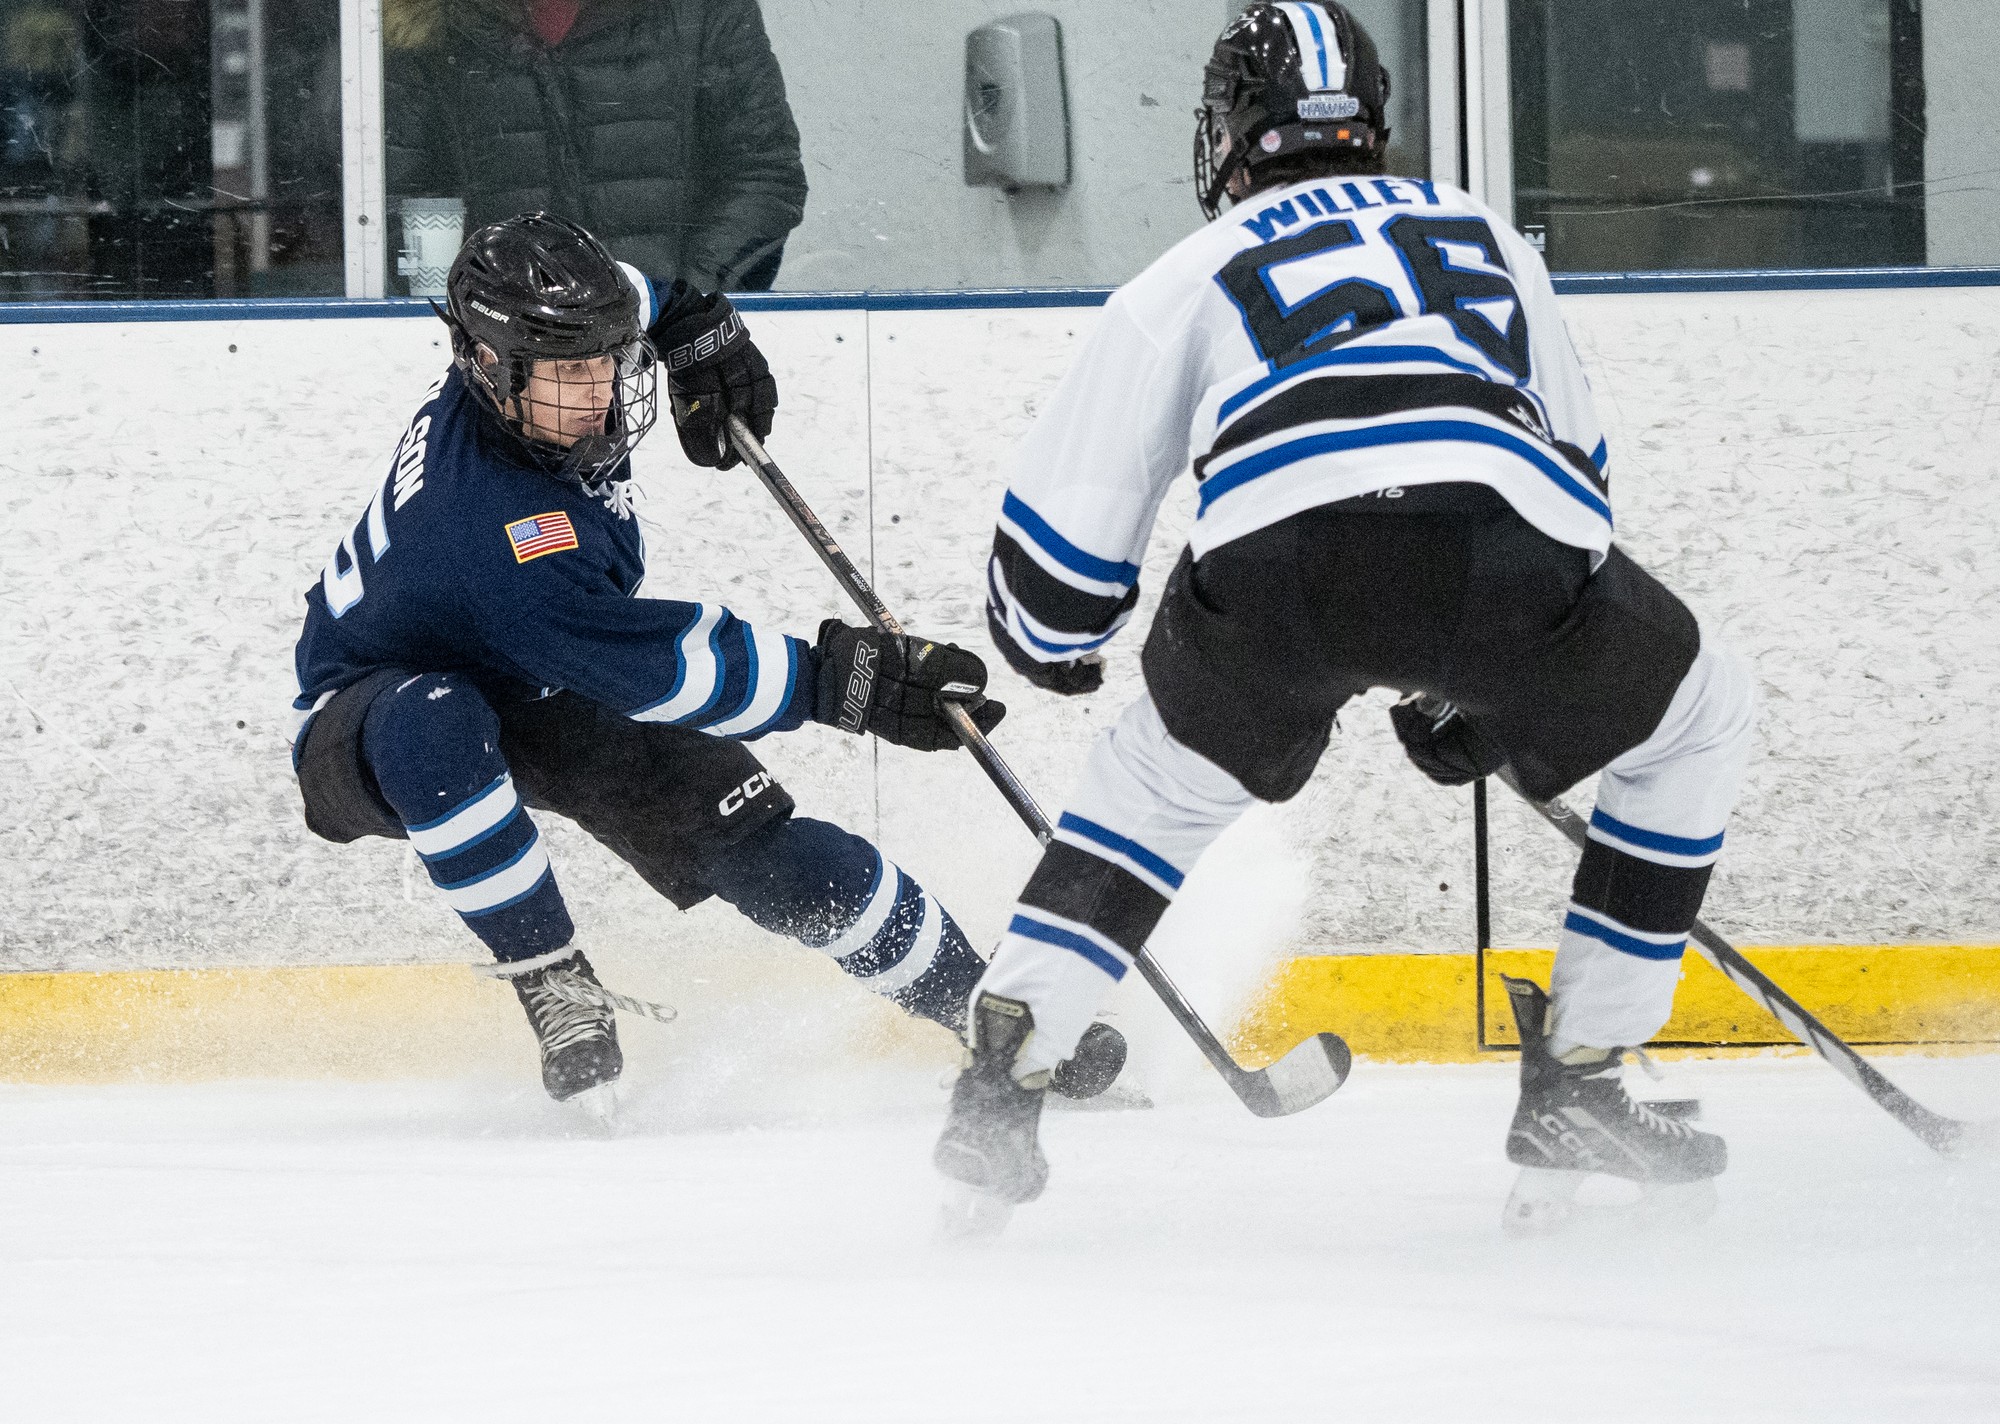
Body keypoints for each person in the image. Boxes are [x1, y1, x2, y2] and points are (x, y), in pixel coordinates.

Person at [935, 2, 1755, 1233]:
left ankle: (999, 1090)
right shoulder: (1482, 230)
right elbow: (1579, 484)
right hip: (1500, 546)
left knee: (1146, 792)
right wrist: (1482, 682)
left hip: (1277, 569)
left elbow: (1056, 584)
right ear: (1369, 122)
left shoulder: (1182, 276)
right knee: (1699, 713)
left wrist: (1057, 644)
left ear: (1225, 133)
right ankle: (1582, 1075)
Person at [288, 212, 1125, 1119]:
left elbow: (632, 293)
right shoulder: (495, 536)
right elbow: (664, 670)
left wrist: (692, 322)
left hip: (543, 674)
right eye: (570, 374)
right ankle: (552, 979)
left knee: (768, 855)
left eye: (609, 362)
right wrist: (844, 684)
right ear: (488, 366)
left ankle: (989, 1017)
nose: (600, 393)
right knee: (438, 720)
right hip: (370, 719)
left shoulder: (536, 360)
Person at [383, 0, 807, 291]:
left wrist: (681, 302)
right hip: (501, 358)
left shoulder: (700, 10)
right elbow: (394, 196)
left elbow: (763, 176)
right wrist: (488, 317)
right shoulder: (429, 21)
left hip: (668, 344)